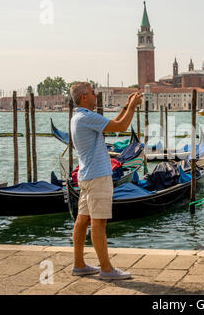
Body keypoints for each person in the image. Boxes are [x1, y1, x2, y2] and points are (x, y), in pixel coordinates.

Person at [69, 82, 142, 279]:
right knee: (98, 223)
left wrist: (126, 107)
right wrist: (134, 107)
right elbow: (122, 126)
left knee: (82, 220)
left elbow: (110, 126)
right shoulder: (87, 117)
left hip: (86, 176)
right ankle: (107, 270)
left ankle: (79, 264)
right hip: (98, 177)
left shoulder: (79, 117)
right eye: (93, 93)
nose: (96, 96)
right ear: (84, 97)